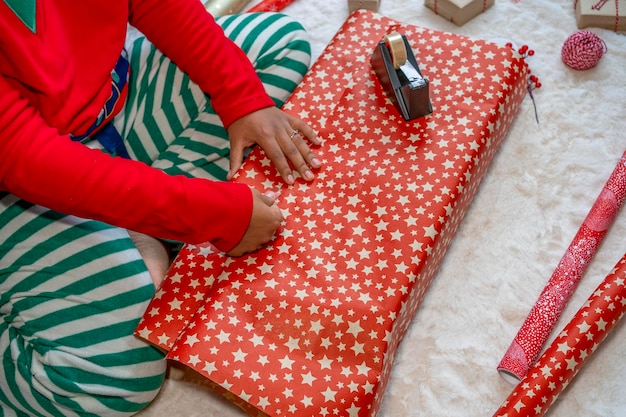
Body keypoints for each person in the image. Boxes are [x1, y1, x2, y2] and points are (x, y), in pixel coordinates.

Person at [0, 1, 321, 415]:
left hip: (106, 107)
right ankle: (137, 219)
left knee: (278, 42)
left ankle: (140, 215)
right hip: (18, 186)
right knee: (114, 378)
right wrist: (211, 215)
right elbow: (26, 158)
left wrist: (241, 98)